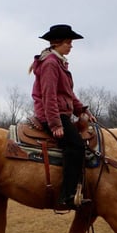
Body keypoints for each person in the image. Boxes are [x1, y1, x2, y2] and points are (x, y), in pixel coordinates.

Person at [29, 24, 97, 209]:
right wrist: (55, 124)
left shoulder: (58, 62)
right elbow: (48, 95)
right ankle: (67, 195)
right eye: (69, 42)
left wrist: (82, 110)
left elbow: (67, 94)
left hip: (61, 114)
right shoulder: (51, 63)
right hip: (53, 115)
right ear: (58, 43)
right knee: (75, 147)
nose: (71, 46)